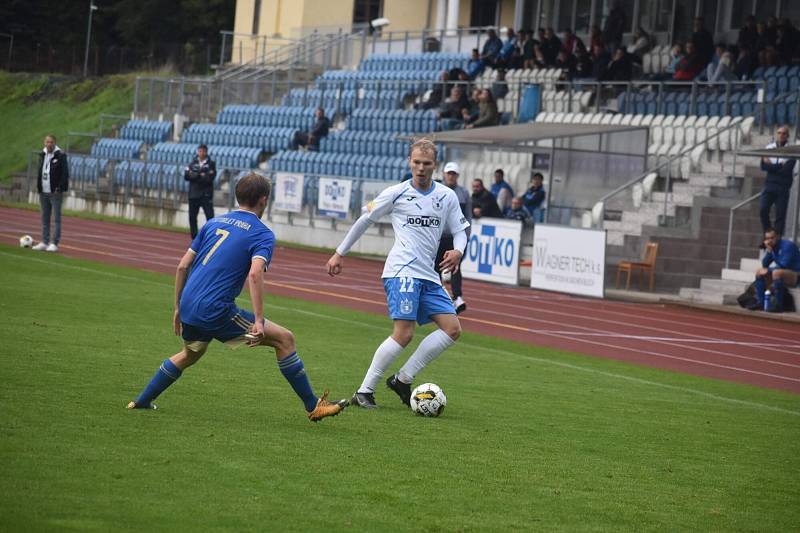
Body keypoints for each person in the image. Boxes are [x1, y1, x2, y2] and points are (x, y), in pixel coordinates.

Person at [127, 173, 348, 421]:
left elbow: (182, 266)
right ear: (264, 200)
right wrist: (259, 321)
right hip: (215, 310)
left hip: (189, 304)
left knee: (191, 353)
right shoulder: (262, 233)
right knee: (285, 339)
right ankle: (312, 406)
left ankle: (142, 401)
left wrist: (177, 307)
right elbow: (255, 274)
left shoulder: (213, 223)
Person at [327, 139, 470, 409]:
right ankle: (364, 391)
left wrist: (458, 251)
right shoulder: (397, 192)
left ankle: (403, 379)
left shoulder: (446, 196)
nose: (421, 168)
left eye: (426, 164)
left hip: (428, 274)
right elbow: (364, 219)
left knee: (452, 329)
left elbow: (460, 230)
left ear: (434, 165)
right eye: (416, 162)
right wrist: (339, 252)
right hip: (402, 270)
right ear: (409, 162)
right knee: (404, 333)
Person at [435, 162, 472, 314]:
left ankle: (457, 297)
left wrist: (467, 236)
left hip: (456, 237)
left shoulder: (463, 193)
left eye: (453, 174)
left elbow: (468, 215)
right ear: (444, 174)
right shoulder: (436, 190)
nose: (451, 176)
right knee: (435, 267)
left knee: (455, 268)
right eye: (448, 173)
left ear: (457, 176)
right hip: (438, 237)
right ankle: (440, 297)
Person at [32, 134, 69, 252]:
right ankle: (44, 241)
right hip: (44, 191)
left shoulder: (61, 155)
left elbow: (65, 174)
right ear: (44, 143)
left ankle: (54, 243)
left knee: (56, 218)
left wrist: (60, 187)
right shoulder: (42, 155)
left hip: (55, 192)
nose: (49, 144)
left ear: (55, 143)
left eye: (51, 142)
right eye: (47, 142)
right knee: (44, 217)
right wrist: (39, 186)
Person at [759, 125, 796, 236]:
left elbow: (787, 169)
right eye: (779, 133)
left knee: (780, 214)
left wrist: (772, 166)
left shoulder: (791, 150)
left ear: (788, 135)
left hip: (783, 186)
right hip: (770, 184)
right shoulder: (769, 147)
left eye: (784, 133)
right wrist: (779, 165)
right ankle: (768, 233)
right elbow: (763, 166)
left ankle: (777, 237)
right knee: (763, 209)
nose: (781, 135)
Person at [753, 228, 800, 312]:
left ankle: (778, 305)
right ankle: (761, 302)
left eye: (772, 238)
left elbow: (783, 265)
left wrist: (768, 270)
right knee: (759, 272)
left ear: (777, 237)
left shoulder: (788, 246)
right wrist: (769, 250)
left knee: (776, 273)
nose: (770, 240)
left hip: (796, 274)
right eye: (767, 238)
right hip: (783, 273)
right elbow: (765, 264)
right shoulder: (772, 248)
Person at [184, 144, 217, 240]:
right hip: (193, 195)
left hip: (206, 195)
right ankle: (194, 239)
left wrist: (195, 175)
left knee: (210, 218)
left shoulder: (211, 163)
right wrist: (200, 174)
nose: (201, 153)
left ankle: (210, 238)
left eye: (203, 151)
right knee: (192, 218)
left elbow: (209, 178)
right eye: (200, 151)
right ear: (197, 151)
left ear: (206, 152)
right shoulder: (192, 163)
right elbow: (186, 176)